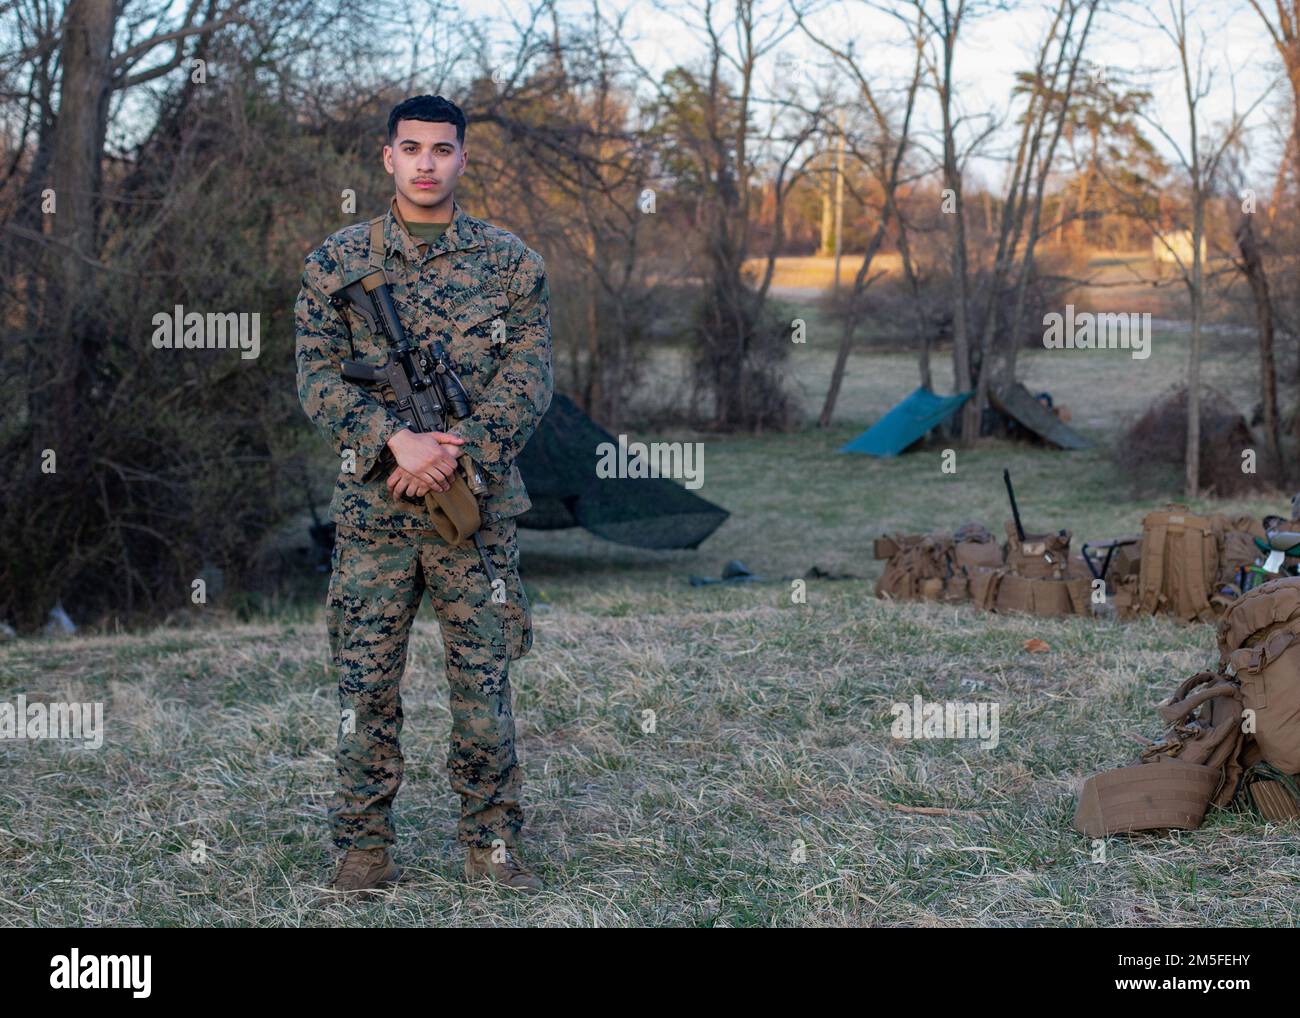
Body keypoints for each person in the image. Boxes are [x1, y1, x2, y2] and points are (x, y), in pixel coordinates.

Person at [295, 94, 553, 896]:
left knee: (484, 689)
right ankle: (364, 850)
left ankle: (492, 848)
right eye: (412, 149)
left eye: (442, 150)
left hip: (473, 516)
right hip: (374, 517)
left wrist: (453, 451)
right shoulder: (335, 264)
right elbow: (314, 376)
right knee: (365, 688)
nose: (427, 163)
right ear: (388, 157)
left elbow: (531, 377)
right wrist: (389, 439)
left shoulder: (512, 265)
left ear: (463, 159)